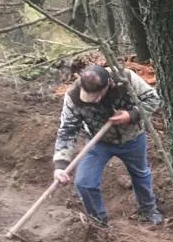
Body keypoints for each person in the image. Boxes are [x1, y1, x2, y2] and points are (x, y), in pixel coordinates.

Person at [52, 64, 164, 227]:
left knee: (140, 174)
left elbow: (154, 99)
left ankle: (149, 210)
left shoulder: (126, 78)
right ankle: (99, 222)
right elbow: (68, 130)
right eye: (90, 96)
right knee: (84, 183)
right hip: (98, 143)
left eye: (98, 95)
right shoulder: (74, 96)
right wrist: (61, 164)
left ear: (109, 84)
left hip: (133, 138)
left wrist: (131, 115)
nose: (95, 100)